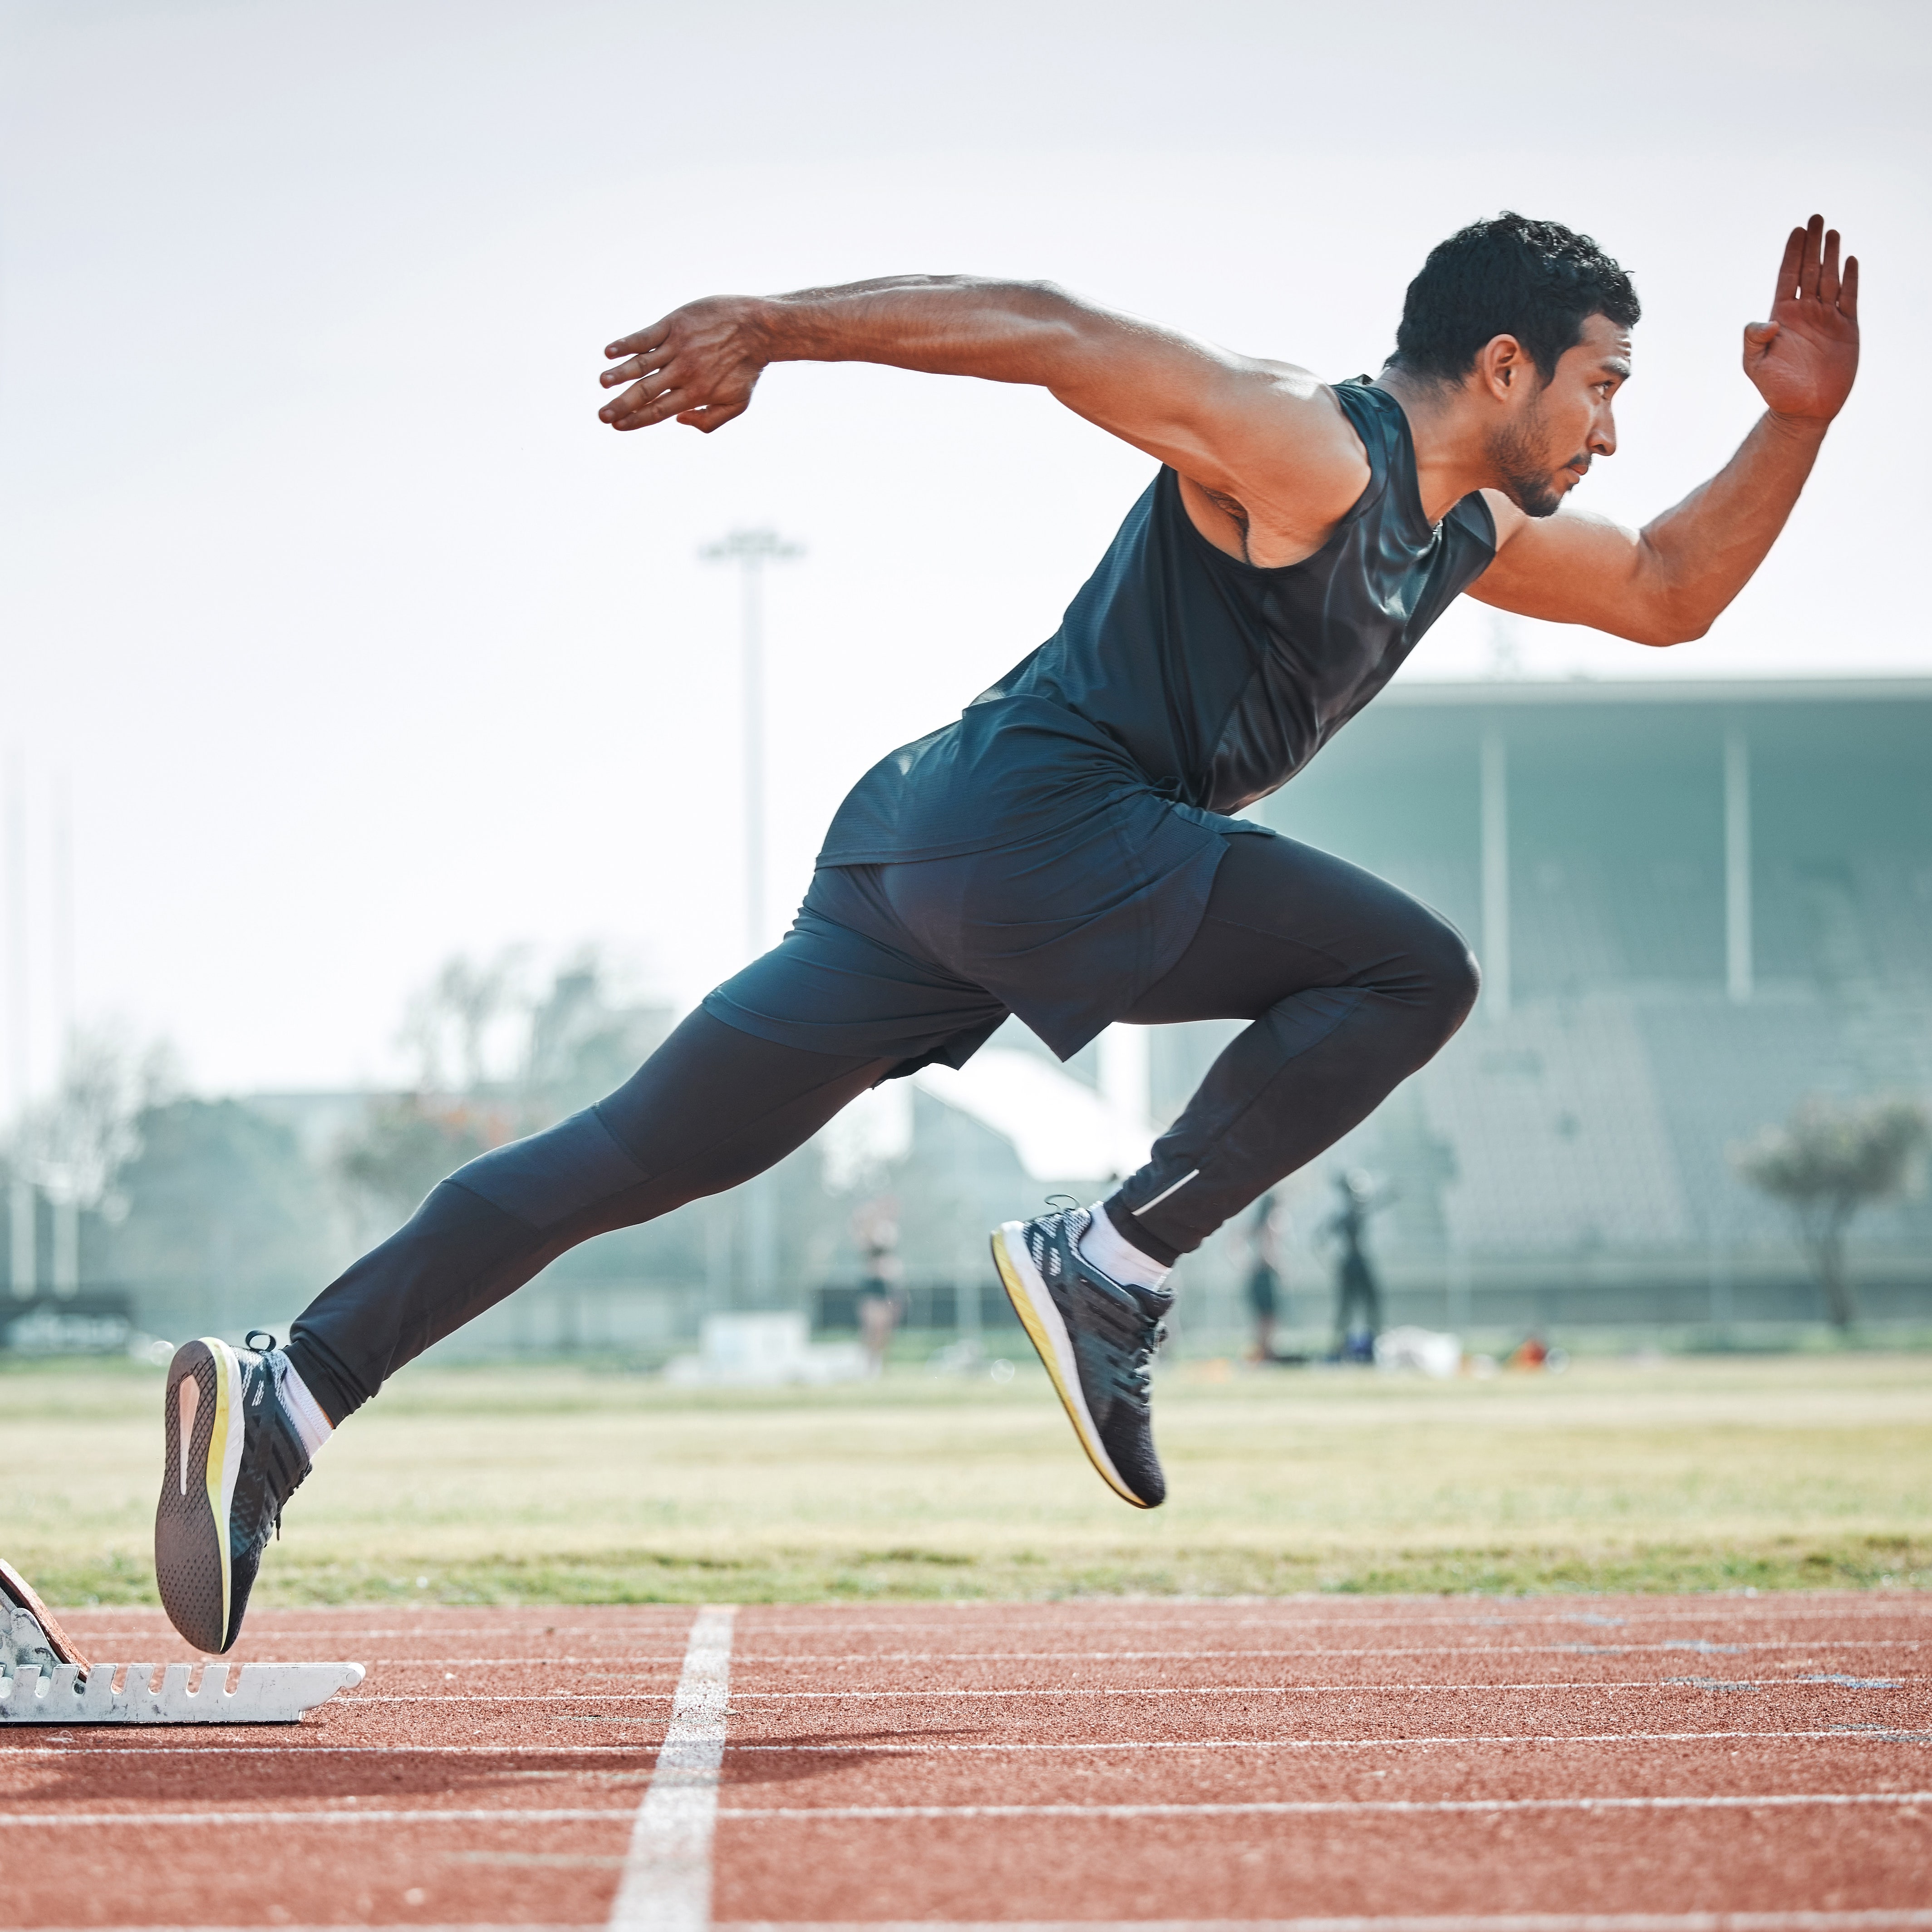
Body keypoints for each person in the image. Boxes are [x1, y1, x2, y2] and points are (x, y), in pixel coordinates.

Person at [155, 213, 1860, 1653]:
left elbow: (1663, 592)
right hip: (1051, 827)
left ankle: (285, 1399)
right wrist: (773, 326)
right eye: (1604, 386)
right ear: (1502, 368)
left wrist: (1798, 422)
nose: (1615, 433)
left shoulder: (1465, 529)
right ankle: (1105, 1264)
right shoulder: (1311, 447)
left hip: (940, 850)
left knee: (629, 1155)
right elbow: (1053, 330)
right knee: (1413, 968)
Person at [1323, 1170, 1391, 1362]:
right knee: (1348, 1308)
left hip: (1356, 1264)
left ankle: (1374, 1347)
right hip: (1353, 1264)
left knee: (1369, 1306)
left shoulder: (1352, 1213)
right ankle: (1339, 1350)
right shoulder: (1346, 1216)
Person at [852, 1196, 907, 1376]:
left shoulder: (889, 1230)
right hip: (873, 1285)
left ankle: (880, 1365)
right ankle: (868, 1366)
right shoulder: (869, 1231)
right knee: (871, 1327)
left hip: (887, 1285)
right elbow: (866, 1238)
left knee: (885, 1328)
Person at [1243, 1192, 1291, 1364]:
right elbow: (1269, 1252)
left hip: (1258, 1275)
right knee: (1269, 1316)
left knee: (1263, 1317)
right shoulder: (1270, 1225)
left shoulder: (1259, 1225)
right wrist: (1280, 1270)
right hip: (1265, 1275)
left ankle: (1263, 1351)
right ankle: (1267, 1352)